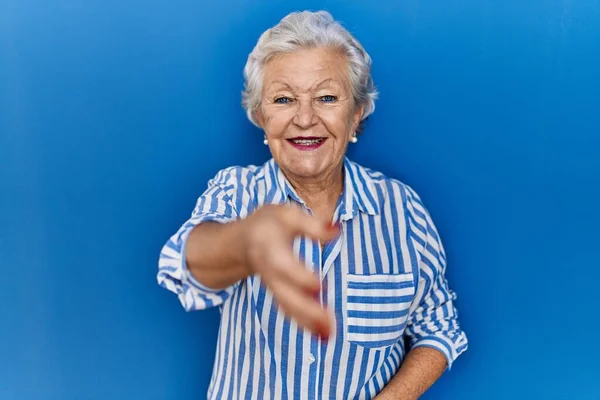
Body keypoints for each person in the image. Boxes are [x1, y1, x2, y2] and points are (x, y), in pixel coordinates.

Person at [157, 10, 468, 400]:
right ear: (261, 117)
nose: (305, 118)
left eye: (326, 97)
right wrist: (245, 243)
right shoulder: (235, 192)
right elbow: (187, 265)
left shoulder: (403, 208)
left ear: (356, 115)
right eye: (284, 99)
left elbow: (439, 328)